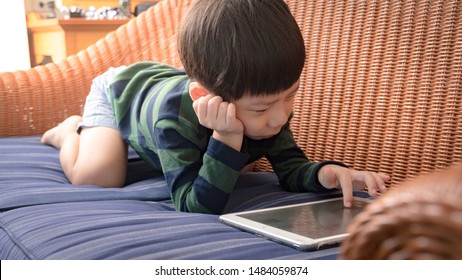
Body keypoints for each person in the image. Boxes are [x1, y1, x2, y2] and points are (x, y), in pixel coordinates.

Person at [41, 0, 389, 214]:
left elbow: (290, 167)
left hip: (179, 82)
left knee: (241, 165)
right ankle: (71, 130)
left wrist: (326, 174)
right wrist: (225, 137)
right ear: (206, 99)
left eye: (291, 95)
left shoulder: (267, 105)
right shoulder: (173, 118)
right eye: (262, 108)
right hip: (121, 92)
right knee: (100, 176)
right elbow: (193, 204)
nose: (282, 116)